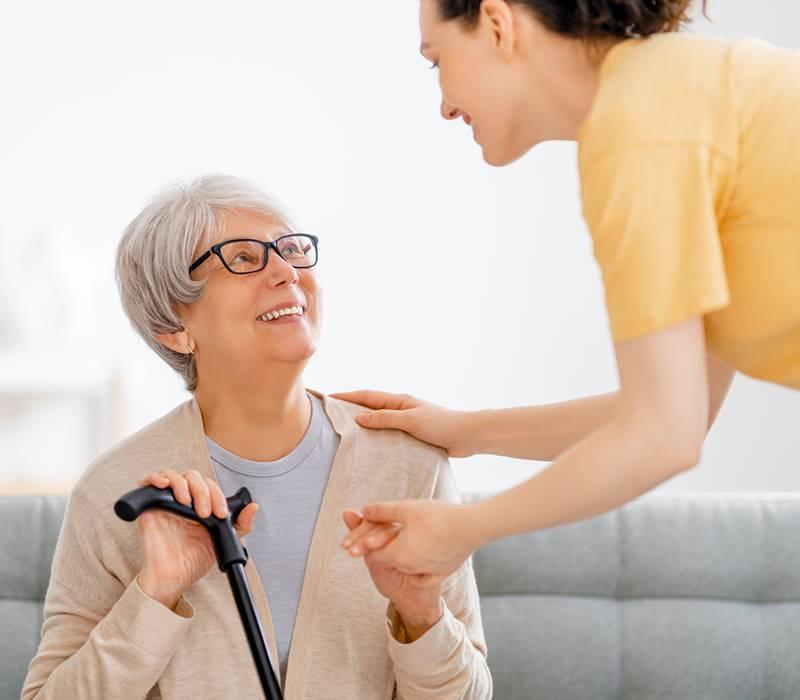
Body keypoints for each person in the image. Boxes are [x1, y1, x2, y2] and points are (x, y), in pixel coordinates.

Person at [336, 0, 800, 578]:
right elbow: (677, 413)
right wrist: (464, 431)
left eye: (437, 61)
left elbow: (663, 436)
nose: (444, 105)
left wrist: (461, 530)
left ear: (498, 25)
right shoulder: (673, 91)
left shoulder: (640, 129)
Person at [22, 175, 492, 699]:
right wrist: (154, 594)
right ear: (175, 325)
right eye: (242, 259)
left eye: (291, 250)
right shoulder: (117, 494)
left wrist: (422, 619)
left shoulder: (409, 463)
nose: (286, 271)